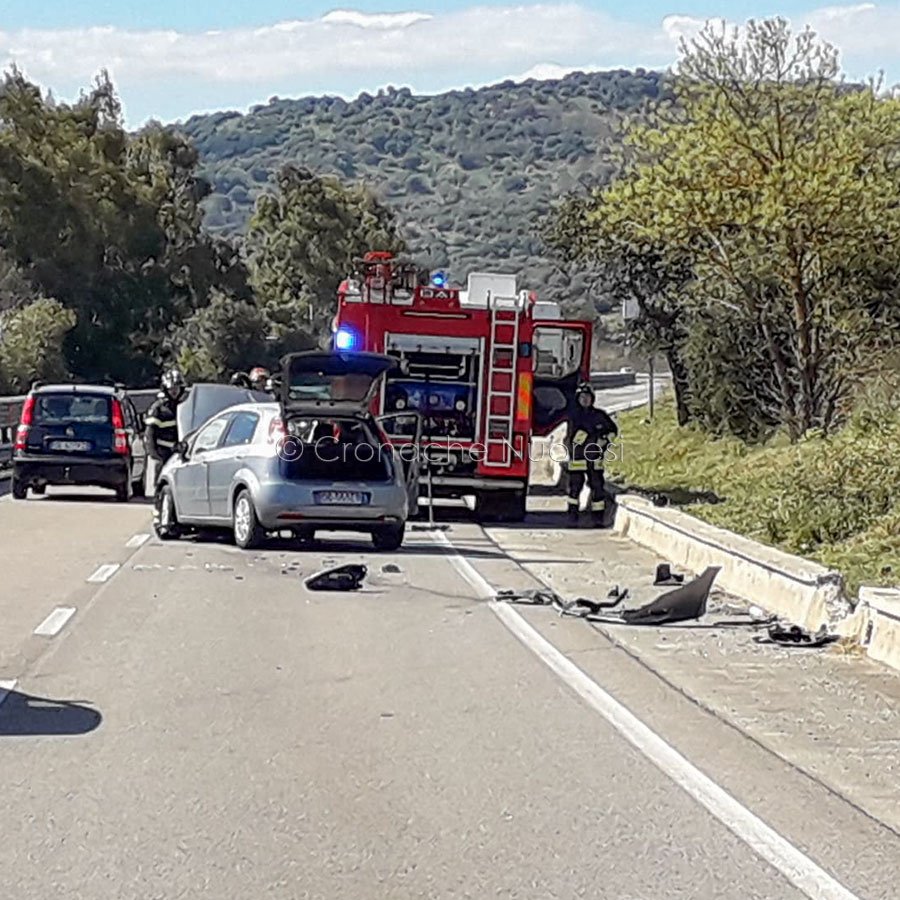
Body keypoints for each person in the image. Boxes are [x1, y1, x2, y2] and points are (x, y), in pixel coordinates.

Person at [564, 381, 618, 527]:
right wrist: (594, 437)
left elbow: (613, 431)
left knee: (598, 489)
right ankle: (572, 517)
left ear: (592, 398)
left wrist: (605, 441)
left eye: (588, 397)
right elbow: (574, 438)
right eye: (582, 397)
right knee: (574, 490)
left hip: (595, 460)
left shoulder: (600, 416)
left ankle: (598, 518)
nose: (585, 400)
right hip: (578, 460)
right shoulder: (574, 417)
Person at [144, 368, 187, 493]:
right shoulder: (158, 409)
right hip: (163, 454)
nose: (174, 391)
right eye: (171, 389)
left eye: (176, 388)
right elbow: (150, 435)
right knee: (162, 485)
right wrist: (156, 454)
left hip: (181, 453)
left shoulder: (184, 407)